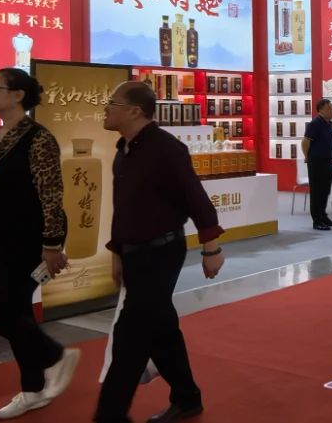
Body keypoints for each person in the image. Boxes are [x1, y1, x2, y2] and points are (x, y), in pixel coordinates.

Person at [95, 81, 225, 423]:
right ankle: (187, 397)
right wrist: (118, 252)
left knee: (130, 333)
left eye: (112, 103)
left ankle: (110, 415)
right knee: (161, 329)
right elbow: (124, 209)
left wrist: (211, 248)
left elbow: (196, 198)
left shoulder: (167, 149)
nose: (105, 109)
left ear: (134, 111)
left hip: (162, 252)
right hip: (134, 253)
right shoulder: (123, 149)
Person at [0, 68, 79, 420]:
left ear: (17, 95)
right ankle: (33, 390)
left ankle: (56, 356)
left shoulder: (39, 139)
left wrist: (52, 245)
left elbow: (51, 196)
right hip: (2, 240)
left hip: (32, 241)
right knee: (18, 314)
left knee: (0, 314)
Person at [302, 99, 332, 230]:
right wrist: (307, 156)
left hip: (327, 161)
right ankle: (317, 220)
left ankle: (323, 216)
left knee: (325, 190)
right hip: (316, 162)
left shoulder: (328, 124)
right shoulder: (315, 124)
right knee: (317, 191)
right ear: (321, 110)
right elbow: (305, 142)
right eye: (329, 108)